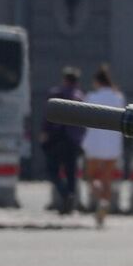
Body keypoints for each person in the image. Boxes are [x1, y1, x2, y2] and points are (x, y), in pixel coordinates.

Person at [81, 65, 126, 229]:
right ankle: (104, 203)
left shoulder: (91, 96)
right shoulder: (118, 97)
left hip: (94, 143)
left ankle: (99, 197)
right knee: (108, 179)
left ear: (97, 82)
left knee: (92, 177)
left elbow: (84, 117)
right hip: (112, 144)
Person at [42, 66, 85, 214]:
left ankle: (65, 194)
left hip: (57, 138)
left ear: (65, 79)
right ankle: (70, 199)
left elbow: (48, 116)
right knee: (71, 172)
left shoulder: (55, 94)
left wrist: (45, 133)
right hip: (73, 140)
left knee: (52, 169)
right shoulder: (79, 97)